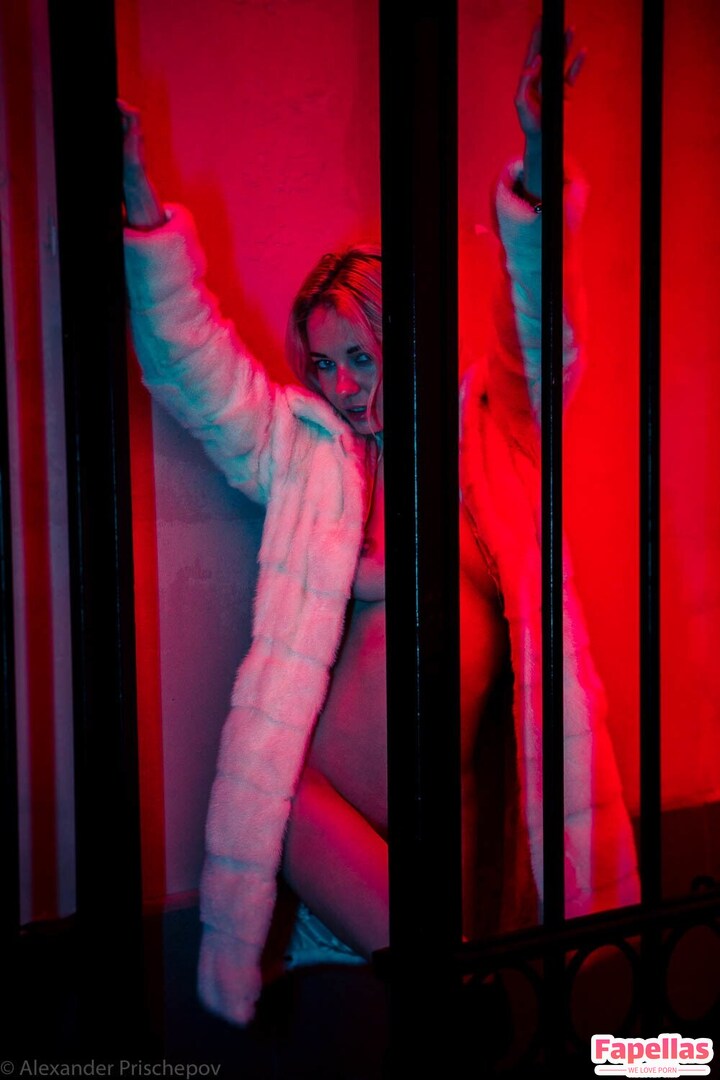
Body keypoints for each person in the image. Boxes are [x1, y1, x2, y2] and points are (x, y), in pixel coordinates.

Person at [119, 22, 639, 1029]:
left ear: (405, 337)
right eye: (323, 364)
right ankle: (453, 992)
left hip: (440, 877)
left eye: (360, 356)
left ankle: (491, 1000)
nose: (343, 386)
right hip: (316, 838)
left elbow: (540, 337)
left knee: (525, 1040)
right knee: (437, 1029)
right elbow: (200, 377)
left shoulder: (490, 438)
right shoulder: (311, 461)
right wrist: (138, 206)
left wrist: (539, 161)